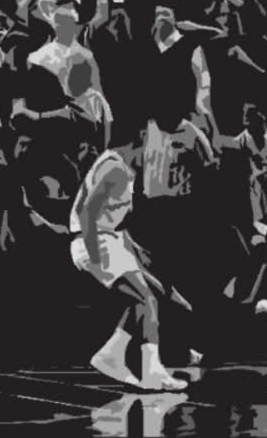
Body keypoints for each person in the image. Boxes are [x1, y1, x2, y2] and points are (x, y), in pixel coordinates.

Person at [69, 128, 190, 391]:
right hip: (96, 242)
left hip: (110, 240)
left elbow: (113, 221)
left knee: (142, 300)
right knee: (146, 300)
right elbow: (88, 213)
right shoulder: (114, 167)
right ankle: (152, 373)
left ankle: (110, 355)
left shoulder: (122, 167)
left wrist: (137, 254)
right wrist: (97, 259)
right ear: (141, 139)